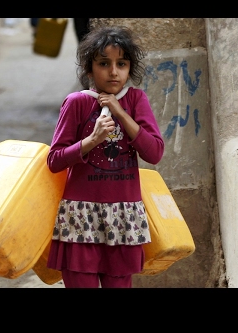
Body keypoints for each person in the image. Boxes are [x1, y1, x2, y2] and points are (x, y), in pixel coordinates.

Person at [46, 25, 165, 288]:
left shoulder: (136, 100)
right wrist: (91, 140)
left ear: (129, 68)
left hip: (123, 216)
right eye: (104, 63)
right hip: (80, 216)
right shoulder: (77, 102)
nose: (113, 72)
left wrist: (121, 113)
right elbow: (54, 160)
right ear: (90, 69)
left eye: (121, 63)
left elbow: (154, 152)